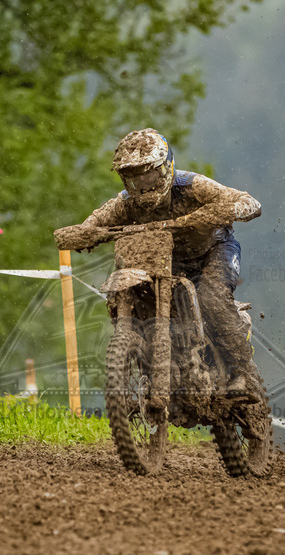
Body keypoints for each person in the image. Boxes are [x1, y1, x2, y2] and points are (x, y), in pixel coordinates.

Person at [76, 128, 262, 396]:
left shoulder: (192, 186)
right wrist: (83, 232)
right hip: (167, 261)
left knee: (210, 297)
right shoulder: (125, 203)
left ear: (165, 167)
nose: (143, 184)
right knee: (136, 294)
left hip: (213, 251)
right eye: (133, 178)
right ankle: (150, 361)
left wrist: (230, 208)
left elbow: (247, 201)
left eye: (149, 174)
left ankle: (244, 373)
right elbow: (95, 221)